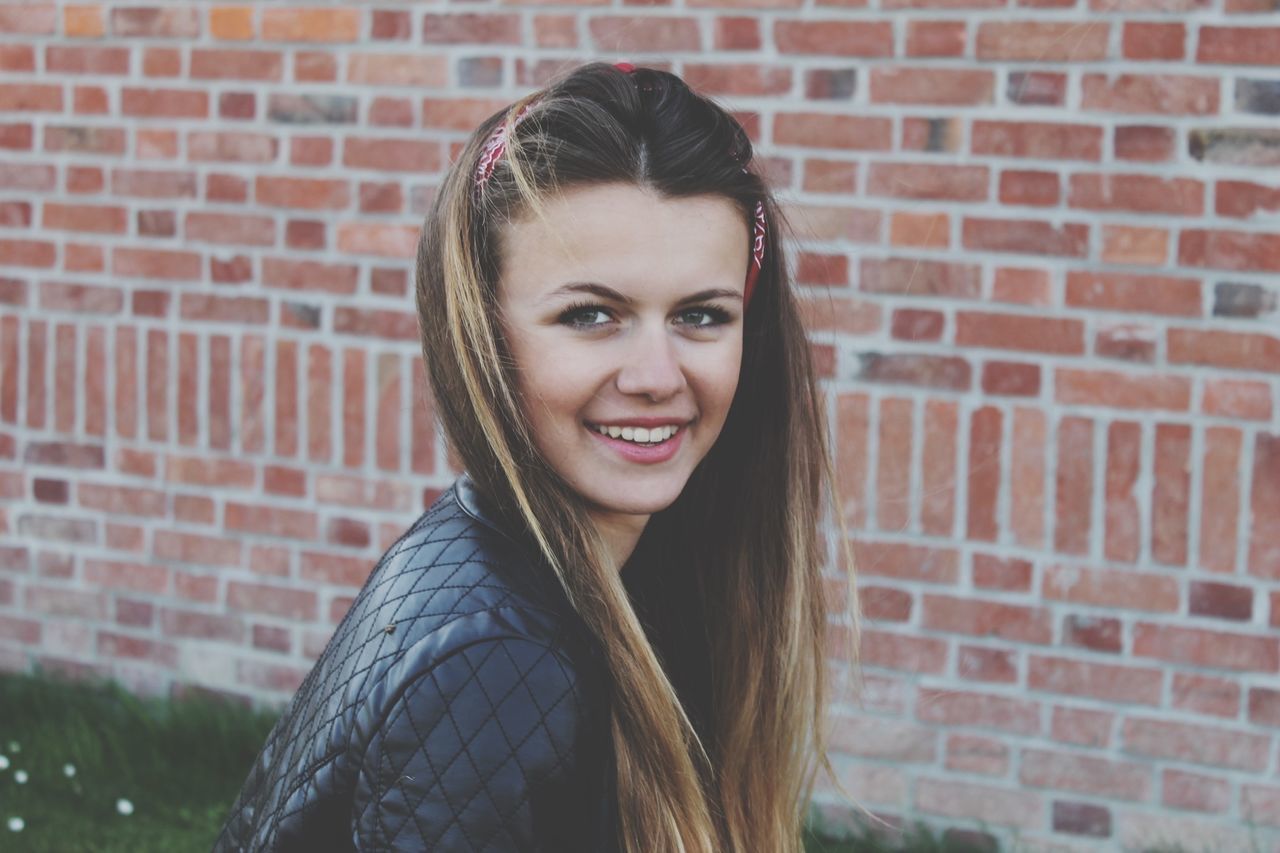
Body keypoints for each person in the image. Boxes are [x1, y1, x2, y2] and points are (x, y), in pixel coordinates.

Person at [214, 61, 858, 852]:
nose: (658, 377)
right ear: (484, 333)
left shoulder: (564, 572)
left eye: (700, 315)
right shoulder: (495, 658)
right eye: (591, 314)